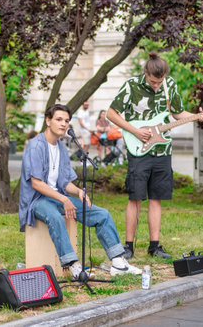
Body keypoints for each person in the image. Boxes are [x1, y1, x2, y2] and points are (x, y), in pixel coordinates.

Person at [18, 104, 141, 278]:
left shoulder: (61, 147)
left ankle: (118, 262)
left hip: (58, 198)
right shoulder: (36, 146)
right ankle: (73, 266)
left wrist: (78, 192)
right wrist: (64, 199)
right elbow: (36, 183)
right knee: (54, 217)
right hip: (37, 201)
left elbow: (65, 182)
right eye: (58, 119)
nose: (63, 124)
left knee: (102, 214)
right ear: (48, 121)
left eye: (66, 121)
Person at [106, 52, 203, 259]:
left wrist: (198, 117)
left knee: (156, 198)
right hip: (139, 149)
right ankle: (128, 246)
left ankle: (154, 246)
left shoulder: (169, 85)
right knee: (135, 197)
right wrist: (135, 131)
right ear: (146, 73)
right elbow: (111, 113)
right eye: (153, 82)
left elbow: (178, 113)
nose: (156, 86)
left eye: (159, 82)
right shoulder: (131, 86)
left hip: (163, 150)